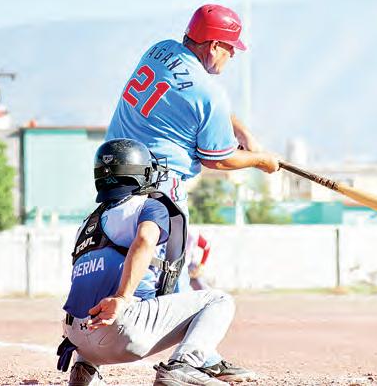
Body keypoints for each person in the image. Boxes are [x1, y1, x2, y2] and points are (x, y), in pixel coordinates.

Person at [57, 138, 257, 386]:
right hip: (122, 331)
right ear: (140, 173)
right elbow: (144, 240)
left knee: (100, 286)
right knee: (219, 300)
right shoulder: (149, 206)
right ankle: (183, 366)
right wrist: (123, 297)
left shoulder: (87, 222)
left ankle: (83, 369)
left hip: (77, 337)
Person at [106, 3, 280, 218]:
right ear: (214, 46)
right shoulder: (210, 94)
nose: (233, 53)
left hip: (111, 171)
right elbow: (217, 159)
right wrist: (261, 160)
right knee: (167, 238)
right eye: (230, 46)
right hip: (156, 186)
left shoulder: (159, 50)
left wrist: (243, 133)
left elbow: (195, 102)